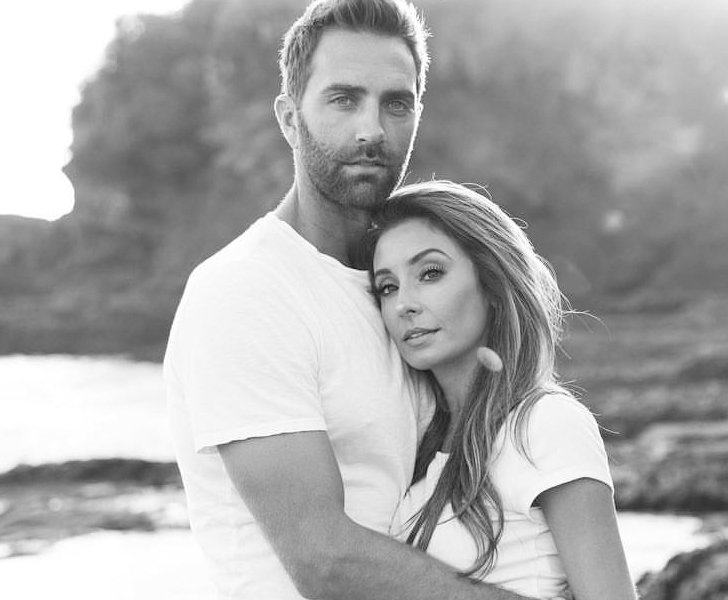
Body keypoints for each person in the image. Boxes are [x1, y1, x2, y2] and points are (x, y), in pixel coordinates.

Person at [164, 1, 550, 598]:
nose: (372, 129)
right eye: (344, 99)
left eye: (395, 103)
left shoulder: (404, 295)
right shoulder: (246, 290)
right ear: (289, 118)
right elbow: (324, 560)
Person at [365, 180, 638, 600]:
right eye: (388, 286)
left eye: (430, 273)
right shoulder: (415, 444)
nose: (404, 304)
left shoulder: (544, 423)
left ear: (492, 284)